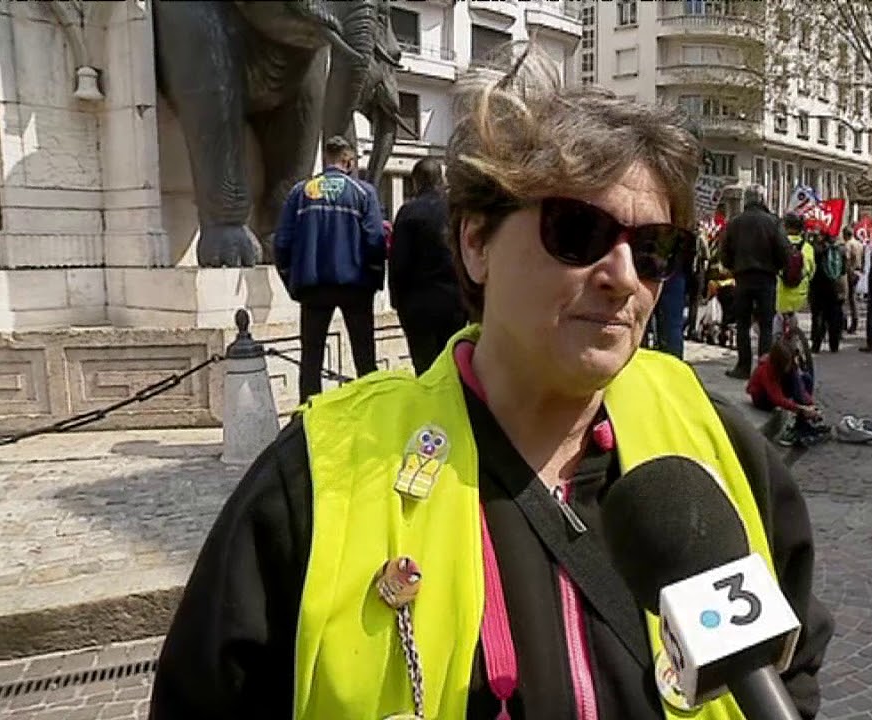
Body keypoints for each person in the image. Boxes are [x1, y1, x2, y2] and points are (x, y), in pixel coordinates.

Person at [150, 45, 832, 720]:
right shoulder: (322, 473)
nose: (623, 276)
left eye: (655, 249)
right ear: (476, 242)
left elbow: (792, 657)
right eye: (578, 230)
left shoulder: (710, 434)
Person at [273, 135, 385, 403]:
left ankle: (308, 419)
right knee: (365, 358)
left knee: (310, 359)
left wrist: (292, 280)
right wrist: (374, 278)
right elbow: (375, 240)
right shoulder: (363, 192)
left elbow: (282, 242)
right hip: (355, 285)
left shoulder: (301, 192)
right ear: (348, 161)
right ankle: (371, 413)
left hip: (313, 286)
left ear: (326, 159)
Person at [390, 157, 466, 375]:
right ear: (440, 180)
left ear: (416, 182)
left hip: (418, 306)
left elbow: (398, 263)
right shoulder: (456, 211)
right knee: (452, 368)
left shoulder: (409, 213)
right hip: (455, 302)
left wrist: (397, 301)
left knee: (425, 370)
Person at [721, 188, 788, 378]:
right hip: (766, 277)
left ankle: (743, 366)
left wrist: (733, 266)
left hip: (742, 277)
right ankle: (763, 368)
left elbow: (724, 250)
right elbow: (784, 249)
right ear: (762, 199)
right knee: (765, 324)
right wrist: (778, 266)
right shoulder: (773, 221)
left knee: (743, 323)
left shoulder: (735, 222)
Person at [747, 342, 826, 447]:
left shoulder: (789, 368)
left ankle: (802, 423)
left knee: (805, 378)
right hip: (763, 398)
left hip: (778, 389)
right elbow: (777, 398)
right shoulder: (766, 370)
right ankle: (800, 424)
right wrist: (801, 409)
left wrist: (810, 405)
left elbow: (800, 388)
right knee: (795, 378)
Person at [808, 229, 847, 353]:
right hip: (835, 288)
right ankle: (834, 344)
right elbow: (843, 271)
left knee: (818, 316)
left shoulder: (817, 250)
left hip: (818, 288)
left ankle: (816, 344)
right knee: (834, 316)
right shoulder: (840, 250)